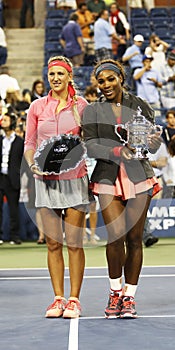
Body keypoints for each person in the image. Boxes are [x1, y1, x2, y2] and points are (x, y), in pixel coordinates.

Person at [82, 59, 162, 318]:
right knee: (115, 237)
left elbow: (151, 148)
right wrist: (117, 150)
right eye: (101, 81)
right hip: (107, 176)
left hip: (139, 176)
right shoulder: (93, 111)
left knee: (135, 239)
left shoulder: (141, 106)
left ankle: (129, 297)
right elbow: (91, 146)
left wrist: (153, 141)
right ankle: (115, 292)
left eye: (110, 79)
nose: (105, 85)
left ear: (121, 78)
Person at [24, 55, 89, 318]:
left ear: (69, 76)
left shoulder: (81, 106)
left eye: (60, 74)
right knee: (53, 244)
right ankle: (58, 299)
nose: (55, 78)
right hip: (45, 183)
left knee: (74, 243)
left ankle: (74, 299)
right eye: (52, 74)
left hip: (74, 180)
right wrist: (32, 165)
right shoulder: (37, 107)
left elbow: (91, 141)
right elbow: (29, 143)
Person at [0, 111, 24, 245]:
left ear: (12, 123)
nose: (2, 122)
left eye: (6, 120)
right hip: (0, 177)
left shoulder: (20, 141)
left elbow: (23, 161)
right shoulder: (0, 139)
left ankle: (15, 236)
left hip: (13, 179)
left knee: (13, 208)